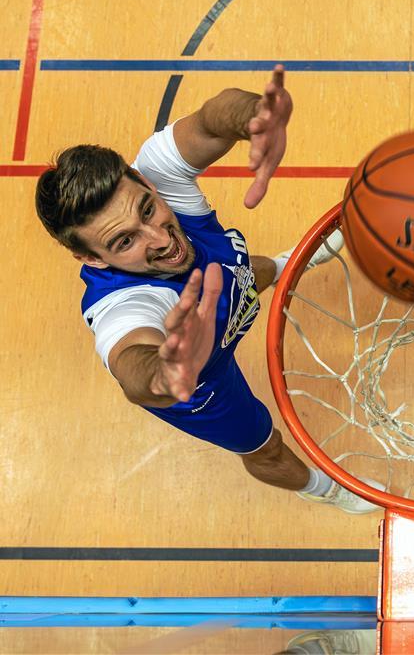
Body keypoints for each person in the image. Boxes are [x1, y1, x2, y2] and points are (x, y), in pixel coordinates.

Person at [35, 67, 377, 513]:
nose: (159, 239)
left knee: (240, 272)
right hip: (198, 380)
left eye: (148, 209)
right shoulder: (123, 305)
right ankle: (326, 491)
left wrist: (256, 114)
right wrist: (165, 374)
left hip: (223, 292)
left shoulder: (156, 174)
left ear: (147, 183)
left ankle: (288, 262)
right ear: (93, 259)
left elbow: (215, 115)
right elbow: (132, 362)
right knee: (264, 446)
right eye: (125, 241)